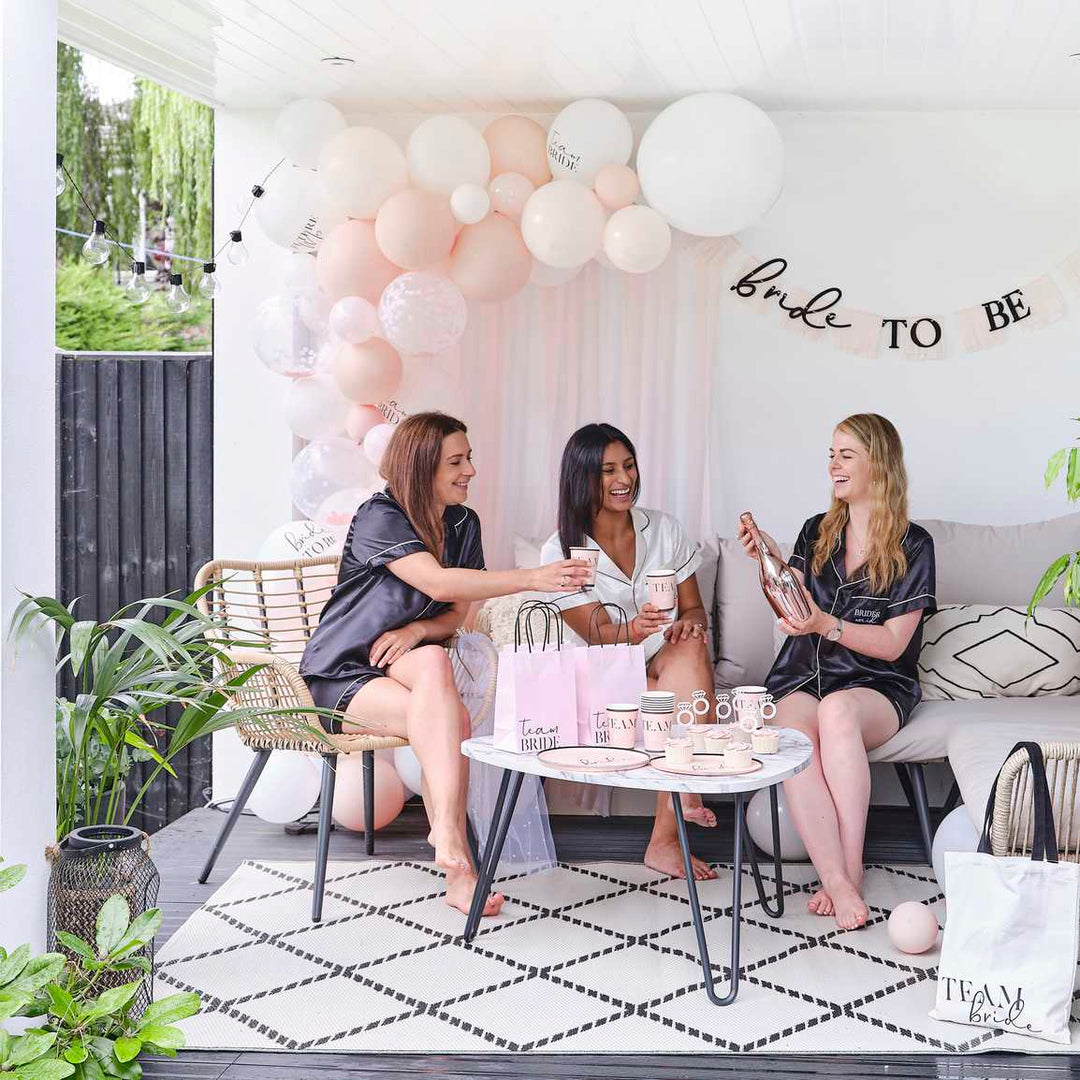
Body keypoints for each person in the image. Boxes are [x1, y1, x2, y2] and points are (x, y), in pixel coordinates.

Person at [300, 412, 590, 918]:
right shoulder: (380, 515)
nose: (470, 470)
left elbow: (455, 612)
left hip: (407, 659)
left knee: (435, 659)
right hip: (344, 668)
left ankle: (450, 842)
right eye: (456, 461)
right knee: (447, 717)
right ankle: (458, 861)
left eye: (468, 458)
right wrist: (533, 578)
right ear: (421, 467)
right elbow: (437, 583)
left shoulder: (462, 523)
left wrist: (415, 630)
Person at [739, 413, 935, 930]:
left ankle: (848, 870)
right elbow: (792, 605)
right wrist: (772, 560)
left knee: (839, 710)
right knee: (798, 734)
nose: (833, 465)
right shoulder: (816, 531)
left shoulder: (916, 545)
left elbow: (894, 645)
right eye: (831, 454)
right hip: (803, 674)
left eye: (846, 455)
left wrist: (827, 624)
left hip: (877, 684)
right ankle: (839, 883)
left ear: (879, 465)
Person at [541, 423, 719, 882]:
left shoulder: (663, 529)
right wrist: (633, 629)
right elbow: (597, 634)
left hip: (662, 657)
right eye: (608, 470)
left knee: (691, 649)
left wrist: (687, 623)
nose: (624, 478)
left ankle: (665, 837)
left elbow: (696, 607)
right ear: (582, 478)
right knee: (675, 697)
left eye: (628, 465)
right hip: (602, 672)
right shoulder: (559, 551)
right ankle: (684, 793)